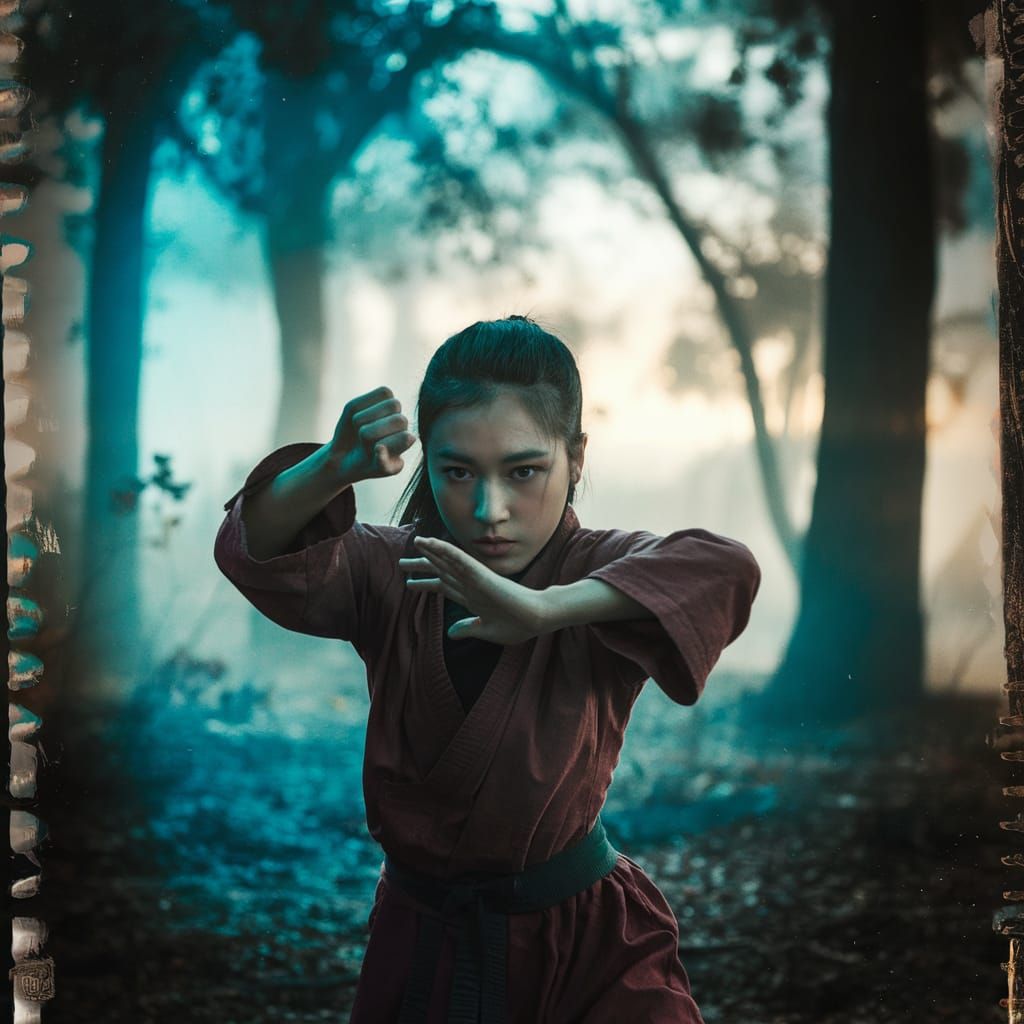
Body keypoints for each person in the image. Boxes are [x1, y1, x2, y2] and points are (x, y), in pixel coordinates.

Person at [213, 315, 762, 1023]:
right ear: (430, 465)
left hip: (586, 948)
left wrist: (546, 610)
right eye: (458, 471)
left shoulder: (599, 570)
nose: (487, 509)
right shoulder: (395, 569)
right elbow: (249, 550)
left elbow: (725, 569)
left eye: (524, 471)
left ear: (577, 459)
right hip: (423, 946)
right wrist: (331, 466)